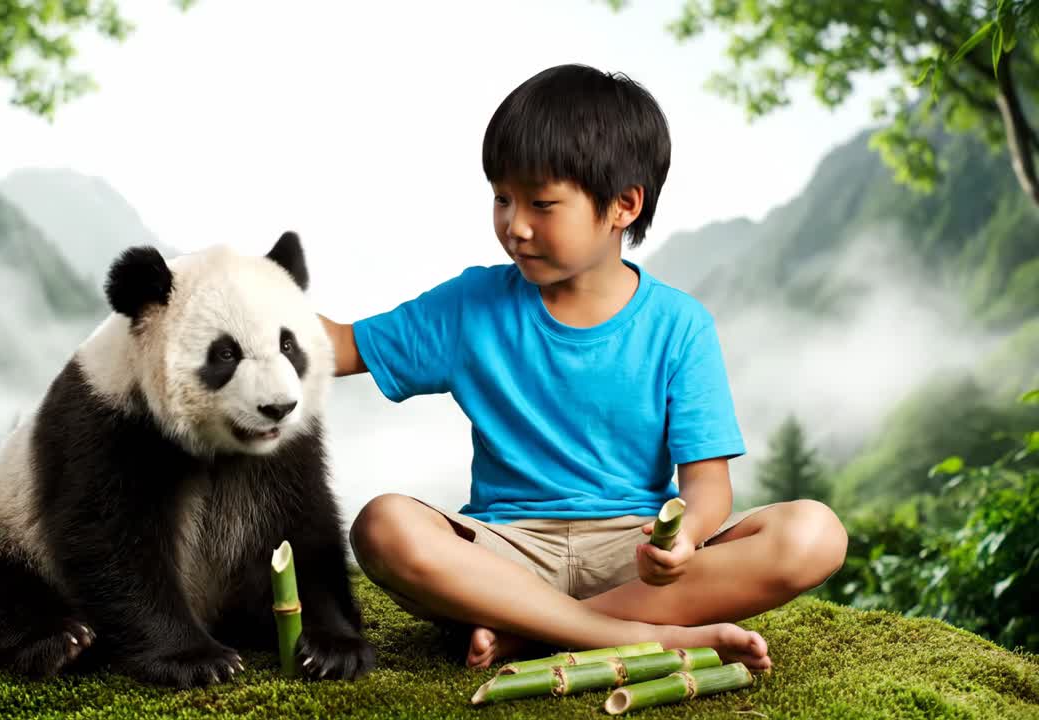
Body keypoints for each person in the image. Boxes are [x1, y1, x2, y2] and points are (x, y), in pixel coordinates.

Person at [317, 63, 847, 672]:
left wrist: (686, 539)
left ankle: (536, 629)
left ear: (624, 205)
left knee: (814, 533)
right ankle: (622, 636)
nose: (514, 226)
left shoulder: (681, 325)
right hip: (507, 552)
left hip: (636, 554)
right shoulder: (470, 306)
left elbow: (707, 485)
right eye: (502, 198)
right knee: (384, 525)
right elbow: (341, 345)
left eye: (542, 203)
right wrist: (225, 301)